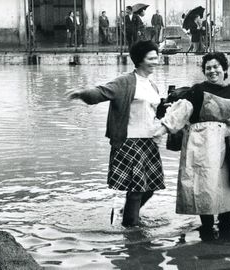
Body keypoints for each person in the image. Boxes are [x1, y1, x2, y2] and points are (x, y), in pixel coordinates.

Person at [66, 40, 165, 227]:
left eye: (156, 57)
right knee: (136, 190)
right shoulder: (125, 81)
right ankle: (132, 229)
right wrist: (81, 94)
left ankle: (126, 213)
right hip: (130, 141)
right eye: (151, 58)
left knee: (150, 188)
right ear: (139, 60)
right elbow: (101, 92)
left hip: (149, 142)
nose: (155, 61)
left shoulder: (153, 85)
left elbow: (153, 112)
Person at [153, 52, 230, 240]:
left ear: (224, 69)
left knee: (229, 187)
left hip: (227, 146)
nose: (212, 71)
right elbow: (181, 112)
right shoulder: (197, 90)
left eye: (216, 67)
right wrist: (162, 129)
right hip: (201, 146)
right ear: (204, 71)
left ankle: (226, 229)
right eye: (208, 68)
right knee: (204, 187)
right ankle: (207, 234)